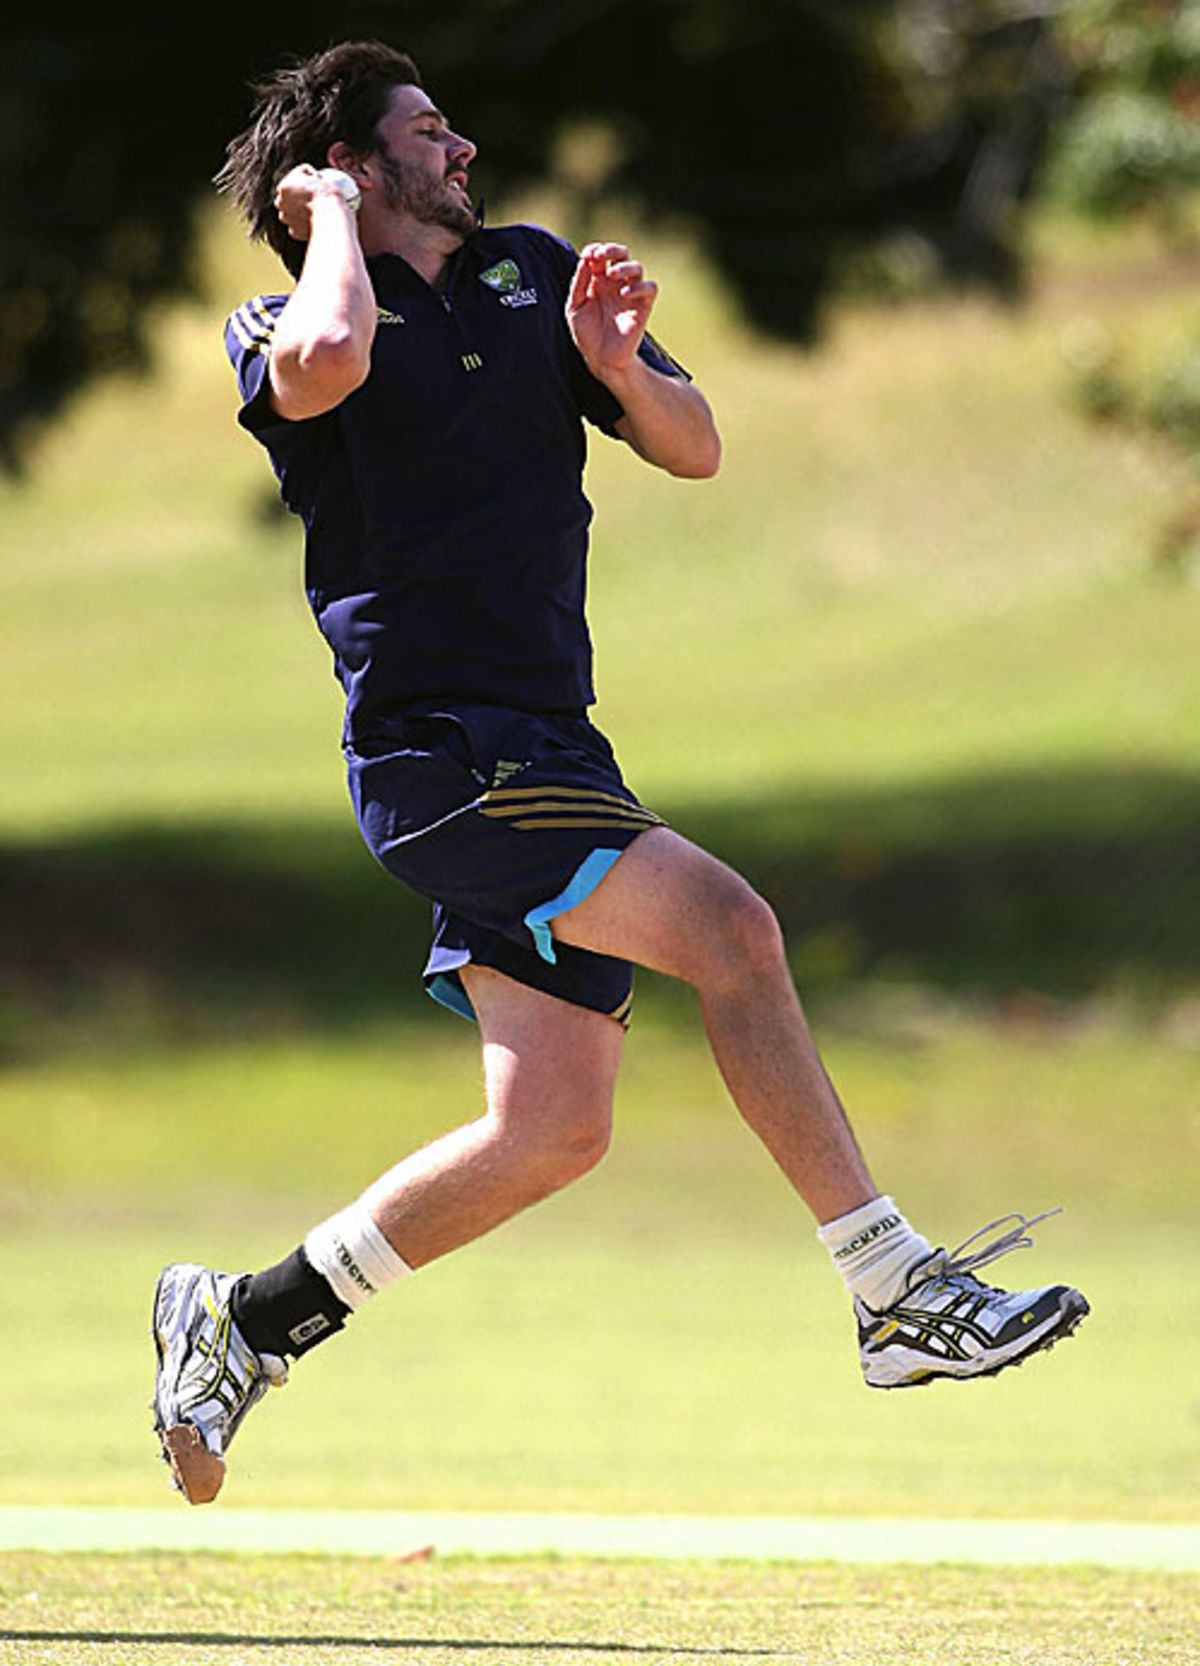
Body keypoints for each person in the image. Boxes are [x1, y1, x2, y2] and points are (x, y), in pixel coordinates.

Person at [151, 39, 1088, 1506]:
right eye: (427, 133)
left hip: (551, 742)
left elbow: (697, 446)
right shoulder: (293, 308)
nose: (463, 151)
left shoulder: (530, 277)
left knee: (553, 1131)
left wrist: (613, 368)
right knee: (735, 930)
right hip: (441, 752)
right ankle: (892, 1284)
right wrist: (324, 216)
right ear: (342, 171)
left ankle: (246, 1315)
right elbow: (328, 367)